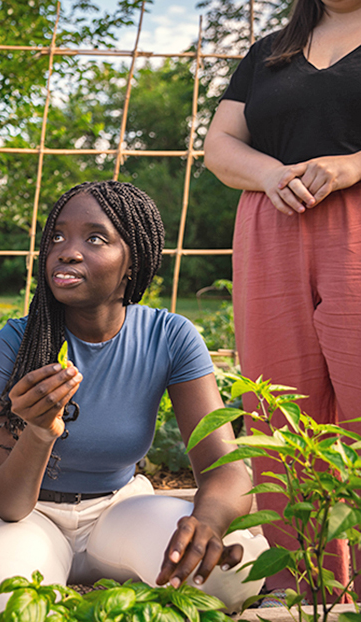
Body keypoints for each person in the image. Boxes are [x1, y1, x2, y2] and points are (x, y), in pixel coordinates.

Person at [0, 181, 268, 622]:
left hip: (120, 508)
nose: (67, 251)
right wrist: (40, 431)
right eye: (57, 237)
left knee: (233, 571)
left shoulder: (169, 336)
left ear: (133, 261)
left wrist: (207, 522)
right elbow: (8, 504)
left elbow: (225, 469)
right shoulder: (18, 342)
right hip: (30, 518)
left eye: (94, 238)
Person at [203, 0, 361, 598]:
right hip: (272, 225)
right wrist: (270, 174)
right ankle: (311, 593)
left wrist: (350, 166)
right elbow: (220, 145)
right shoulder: (272, 49)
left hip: (356, 225)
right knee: (281, 412)